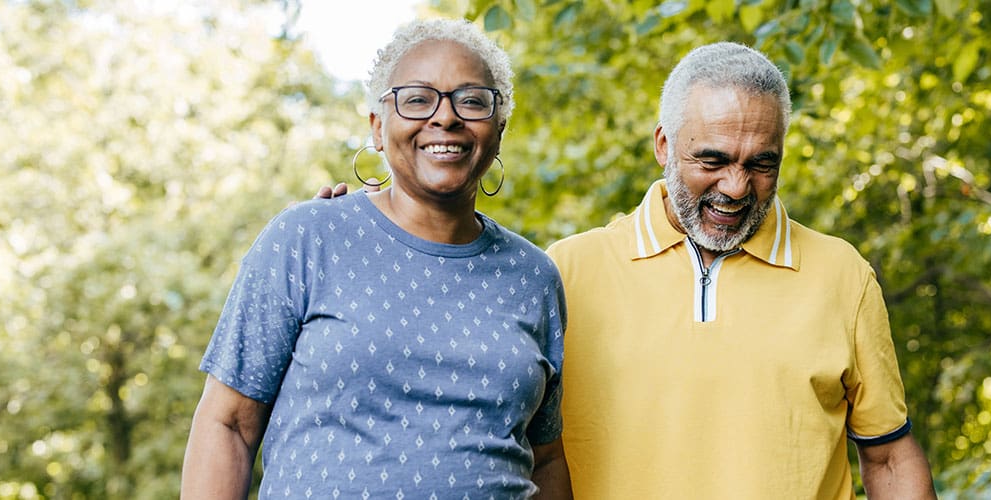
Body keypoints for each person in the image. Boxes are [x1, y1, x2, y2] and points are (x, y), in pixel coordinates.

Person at [181, 19, 572, 499]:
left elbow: (547, 455)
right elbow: (228, 425)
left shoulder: (533, 277)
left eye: (471, 100)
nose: (445, 117)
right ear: (377, 127)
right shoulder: (306, 239)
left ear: (498, 129)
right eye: (417, 98)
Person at [545, 42, 937, 498]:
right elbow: (529, 455)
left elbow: (888, 457)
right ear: (664, 145)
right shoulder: (566, 272)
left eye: (761, 164)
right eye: (712, 160)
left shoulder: (842, 276)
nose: (735, 188)